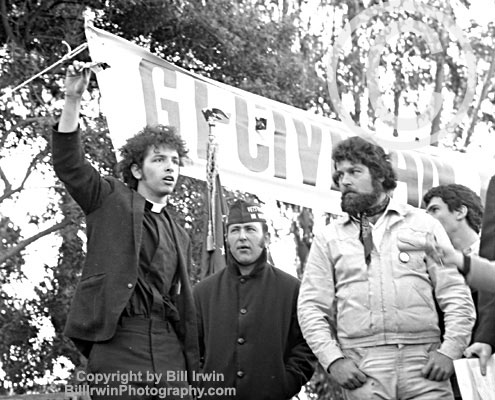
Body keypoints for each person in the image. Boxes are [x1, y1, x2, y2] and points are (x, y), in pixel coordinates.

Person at [52, 61, 198, 398]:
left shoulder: (181, 233)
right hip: (117, 344)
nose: (169, 168)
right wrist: (73, 100)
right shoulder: (110, 199)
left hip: (167, 348)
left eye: (175, 161)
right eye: (159, 159)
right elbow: (69, 165)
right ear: (136, 168)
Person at [297, 136, 475, 400]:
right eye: (340, 174)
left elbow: (455, 294)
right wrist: (333, 360)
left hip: (424, 365)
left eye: (354, 171)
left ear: (379, 175)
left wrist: (450, 350)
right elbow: (310, 306)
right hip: (362, 368)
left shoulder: (424, 225)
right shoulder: (329, 237)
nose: (344, 181)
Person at [193, 200, 316, 400]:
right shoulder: (202, 292)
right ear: (227, 238)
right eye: (235, 230)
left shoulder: (292, 289)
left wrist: (285, 383)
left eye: (250, 229)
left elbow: (306, 347)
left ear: (265, 237)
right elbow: (189, 349)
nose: (242, 237)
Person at [423, 184, 485, 396]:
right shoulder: (428, 266)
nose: (427, 217)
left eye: (434, 209)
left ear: (460, 211)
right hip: (447, 379)